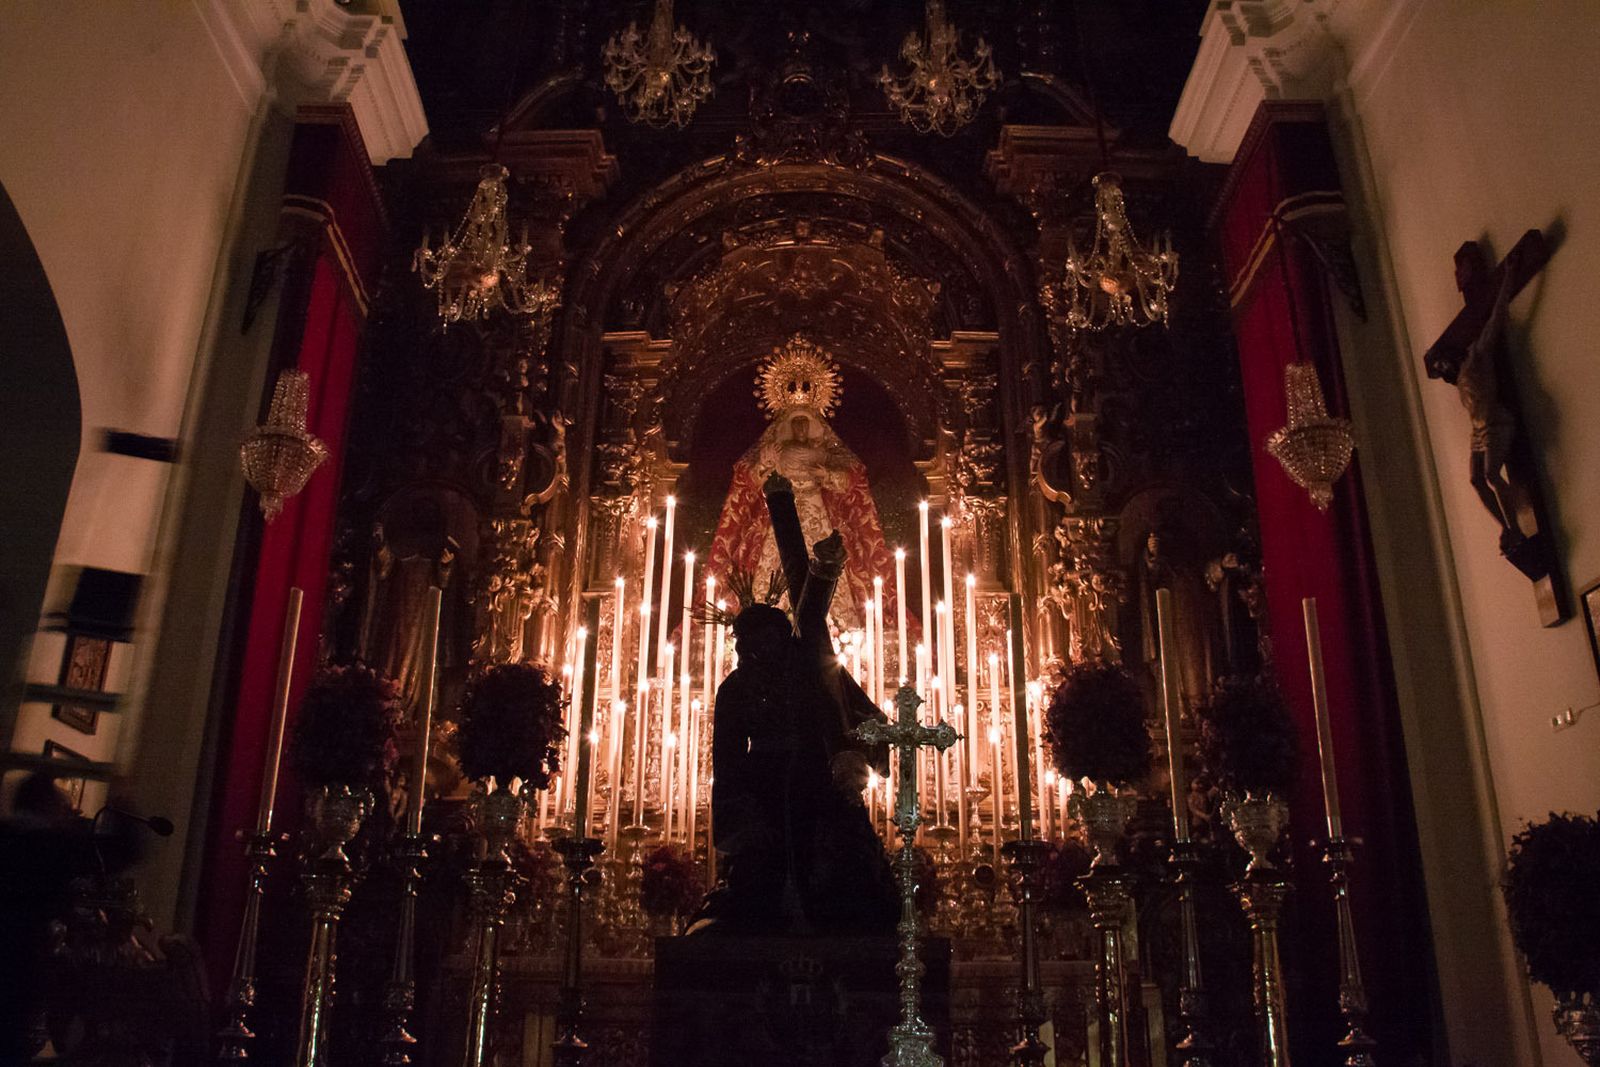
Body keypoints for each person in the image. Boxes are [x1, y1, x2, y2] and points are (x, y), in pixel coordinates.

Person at [691, 474, 894, 935]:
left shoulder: (812, 669)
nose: (761, 656)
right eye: (752, 648)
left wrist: (857, 753)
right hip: (761, 798)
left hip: (817, 786)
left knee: (846, 893)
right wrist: (741, 824)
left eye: (771, 644)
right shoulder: (737, 689)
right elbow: (726, 763)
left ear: (784, 643)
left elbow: (868, 720)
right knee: (756, 898)